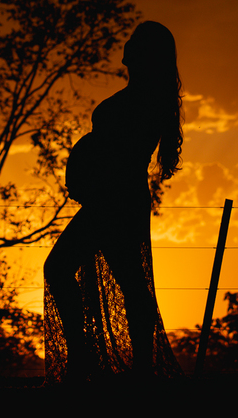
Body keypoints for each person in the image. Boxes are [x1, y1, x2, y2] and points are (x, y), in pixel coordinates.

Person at [44, 21, 184, 383]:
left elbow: (121, 153)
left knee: (67, 269)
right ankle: (122, 365)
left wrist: (89, 173)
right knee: (129, 282)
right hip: (112, 197)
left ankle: (104, 363)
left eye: (136, 42)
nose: (128, 45)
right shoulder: (144, 96)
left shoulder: (147, 99)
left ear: (146, 55)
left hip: (115, 199)